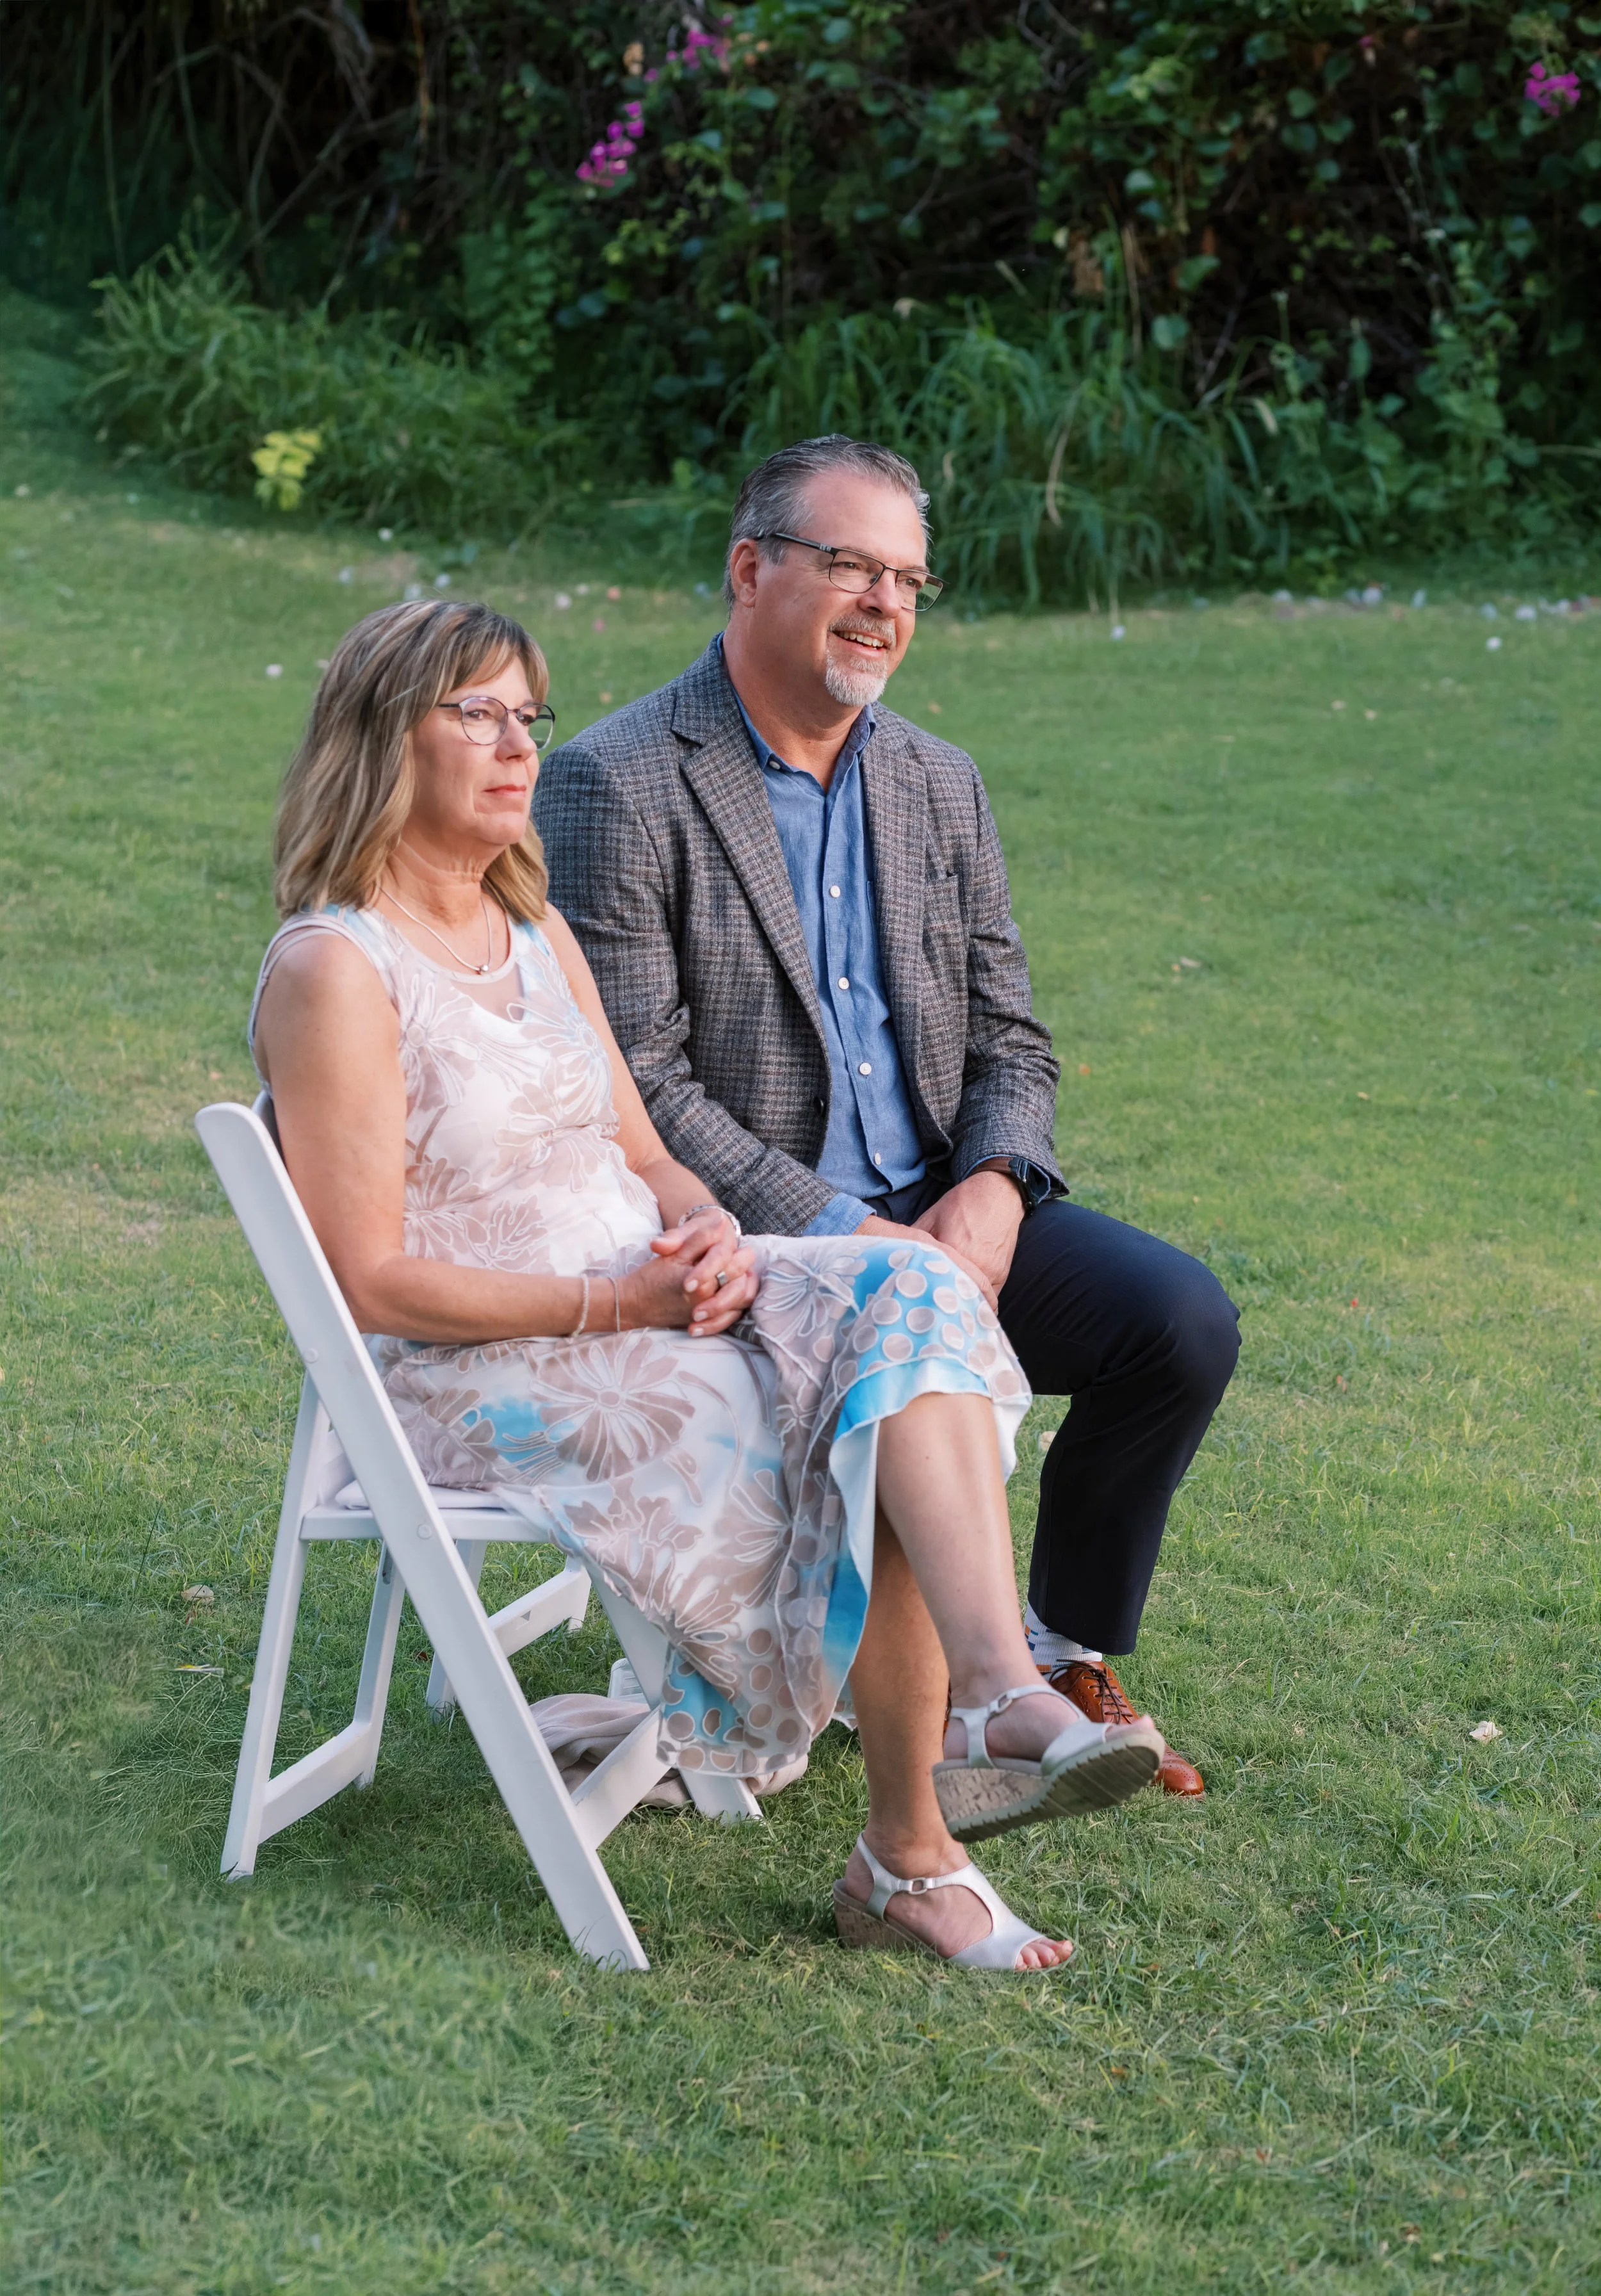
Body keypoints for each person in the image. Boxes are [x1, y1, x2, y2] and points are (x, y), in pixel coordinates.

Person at [249, 597, 1165, 1974]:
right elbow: (370, 1283)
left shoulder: (531, 931)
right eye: (477, 714)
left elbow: (647, 1156)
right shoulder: (338, 969)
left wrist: (708, 1233)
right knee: (854, 1413)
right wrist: (621, 1306)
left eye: (527, 715)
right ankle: (909, 1855)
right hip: (485, 1367)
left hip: (651, 1300)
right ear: (383, 739)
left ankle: (990, 1690)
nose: (519, 747)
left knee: (905, 1297)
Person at [535, 436, 1240, 1795]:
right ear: (751, 570)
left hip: (940, 1208)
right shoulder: (619, 777)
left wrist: (996, 1184)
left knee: (1175, 1323)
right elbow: (643, 1084)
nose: (884, 605)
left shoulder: (937, 779)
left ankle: (1060, 1650)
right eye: (850, 565)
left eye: (908, 579)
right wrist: (854, 1229)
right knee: (909, 1318)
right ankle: (976, 1701)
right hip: (761, 1240)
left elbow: (1007, 1032)